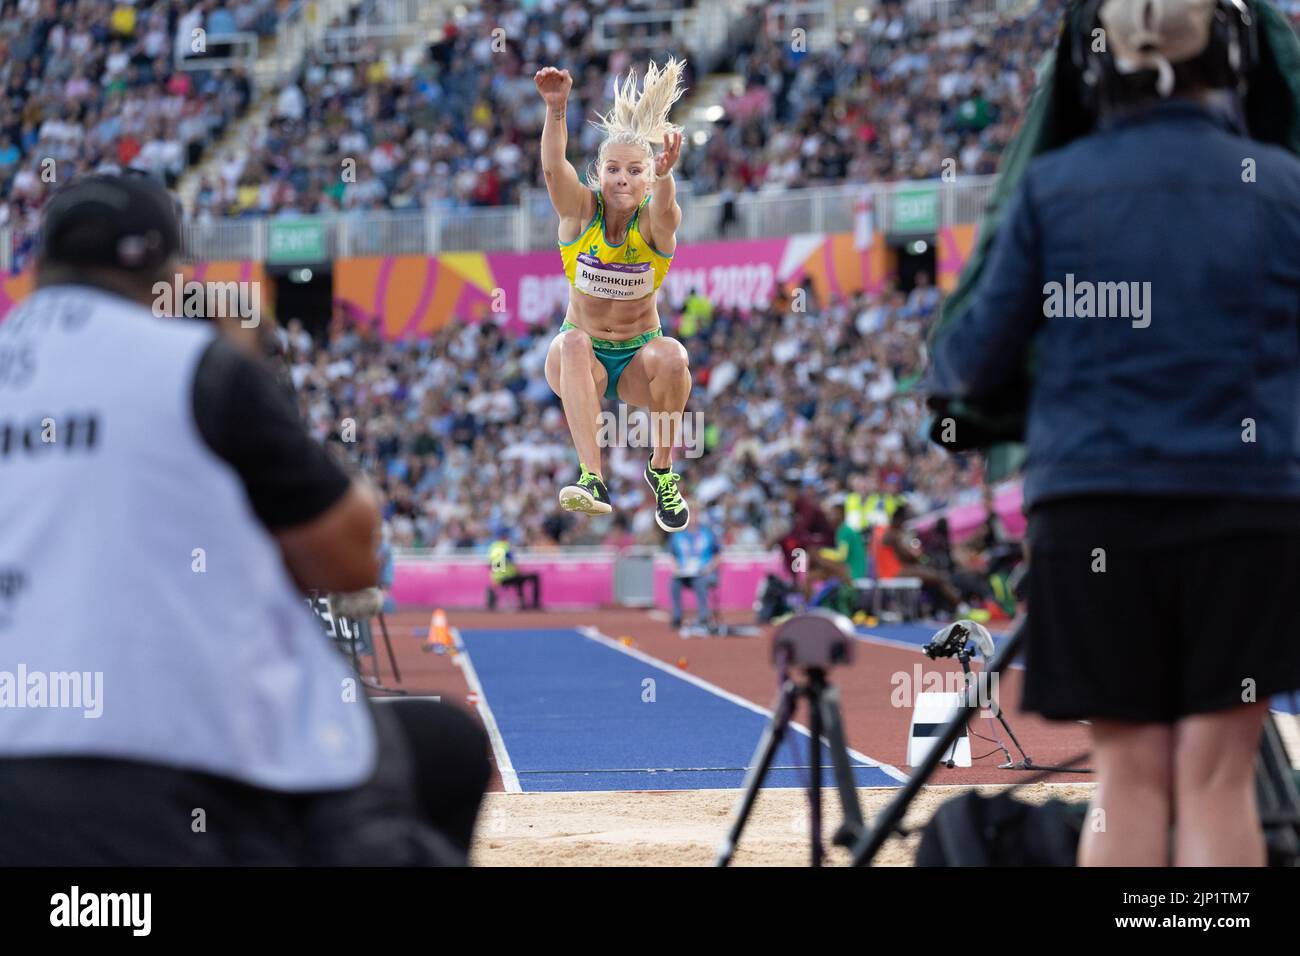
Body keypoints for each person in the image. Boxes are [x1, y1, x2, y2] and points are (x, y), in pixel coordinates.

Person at [0, 172, 487, 864]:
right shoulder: (194, 367)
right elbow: (347, 558)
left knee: (438, 750)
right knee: (441, 756)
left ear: (39, 268)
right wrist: (259, 375)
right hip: (159, 781)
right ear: (166, 275)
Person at [927, 0, 1300, 865]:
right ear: (1235, 59)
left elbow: (969, 362)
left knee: (1128, 775)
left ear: (1099, 68)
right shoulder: (1282, 185)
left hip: (1095, 514)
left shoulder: (1056, 189)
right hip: (1248, 512)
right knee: (1218, 776)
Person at [535, 59, 693, 533]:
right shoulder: (581, 213)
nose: (622, 178)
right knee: (574, 343)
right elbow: (550, 168)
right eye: (612, 169)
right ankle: (592, 477)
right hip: (579, 359)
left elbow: (667, 211)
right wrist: (557, 109)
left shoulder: (654, 223)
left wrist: (665, 176)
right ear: (598, 175)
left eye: (634, 170)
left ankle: (661, 471)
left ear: (646, 179)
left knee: (673, 354)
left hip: (635, 362)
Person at [668, 520, 720, 632]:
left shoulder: (708, 533)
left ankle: (703, 616)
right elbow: (672, 555)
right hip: (685, 573)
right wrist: (676, 569)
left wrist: (709, 568)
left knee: (700, 582)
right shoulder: (678, 535)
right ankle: (677, 616)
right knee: (674, 582)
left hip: (705, 573)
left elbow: (718, 555)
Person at [487, 537, 541, 610]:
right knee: (533, 577)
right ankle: (534, 603)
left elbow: (490, 565)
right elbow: (513, 564)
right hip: (507, 577)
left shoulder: (493, 547)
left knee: (519, 580)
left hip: (497, 579)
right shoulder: (506, 547)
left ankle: (522, 602)